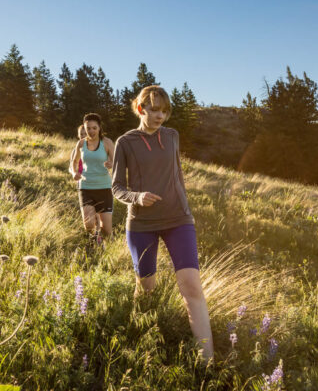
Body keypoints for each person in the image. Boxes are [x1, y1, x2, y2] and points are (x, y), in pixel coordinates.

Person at [111, 85, 213, 360]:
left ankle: (208, 364)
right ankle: (141, 350)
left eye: (164, 111)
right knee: (146, 290)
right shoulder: (125, 142)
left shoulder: (172, 136)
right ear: (141, 108)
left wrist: (185, 208)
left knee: (191, 285)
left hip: (178, 220)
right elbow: (117, 187)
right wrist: (136, 197)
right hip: (142, 224)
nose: (160, 116)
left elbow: (177, 174)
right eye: (155, 110)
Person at [70, 113, 115, 243]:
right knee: (89, 224)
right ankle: (94, 245)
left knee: (106, 229)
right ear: (84, 128)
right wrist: (74, 173)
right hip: (86, 187)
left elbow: (116, 161)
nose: (91, 131)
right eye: (88, 128)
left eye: (94, 128)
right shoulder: (81, 144)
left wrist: (111, 164)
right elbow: (74, 162)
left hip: (104, 187)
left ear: (99, 128)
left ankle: (110, 248)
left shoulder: (107, 142)